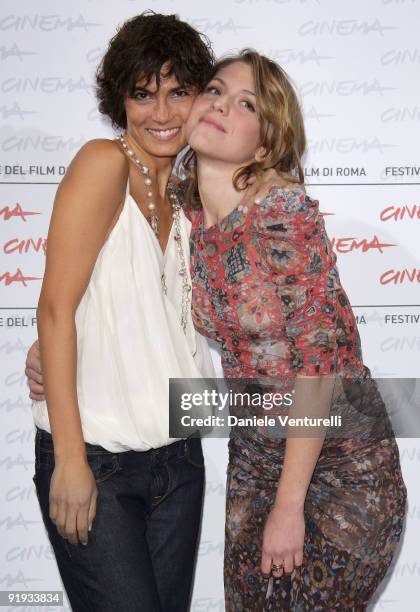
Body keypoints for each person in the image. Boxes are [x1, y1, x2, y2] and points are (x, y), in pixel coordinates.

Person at [180, 50, 407, 610]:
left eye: (246, 103)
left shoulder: (282, 212)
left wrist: (288, 506)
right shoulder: (186, 219)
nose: (221, 105)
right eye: (214, 89)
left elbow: (319, 364)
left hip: (340, 469)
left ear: (263, 143)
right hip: (254, 460)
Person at [27, 12, 217, 612]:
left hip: (180, 462)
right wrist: (70, 461)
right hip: (98, 466)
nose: (160, 114)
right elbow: (55, 311)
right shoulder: (102, 164)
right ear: (120, 101)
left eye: (177, 93)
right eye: (143, 94)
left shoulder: (194, 194)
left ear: (198, 99)